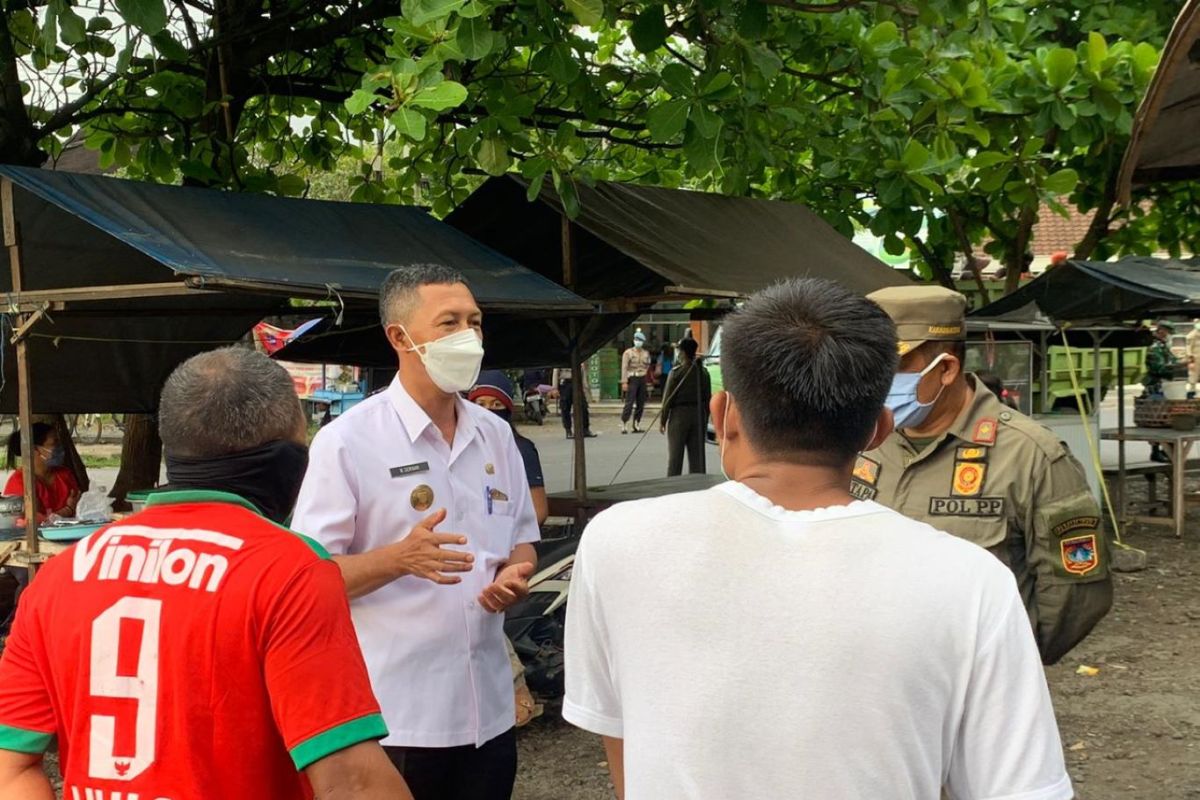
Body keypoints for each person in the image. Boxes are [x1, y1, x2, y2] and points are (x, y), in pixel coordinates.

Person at [563, 278, 1072, 799]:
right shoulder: (973, 581)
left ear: (723, 416)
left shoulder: (616, 543)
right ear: (879, 429)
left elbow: (620, 736)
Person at [0, 348, 410, 800]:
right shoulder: (289, 569)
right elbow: (352, 783)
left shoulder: (65, 572)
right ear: (287, 456)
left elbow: (11, 769)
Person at [293, 264, 540, 800]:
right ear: (399, 337)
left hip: (488, 712)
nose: (468, 337)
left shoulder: (496, 436)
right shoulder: (348, 442)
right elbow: (306, 583)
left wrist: (515, 573)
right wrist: (398, 559)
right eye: (448, 322)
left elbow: (521, 538)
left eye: (474, 321)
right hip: (398, 718)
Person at [861, 284, 1112, 665]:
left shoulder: (1029, 454)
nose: (873, 383)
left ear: (946, 368)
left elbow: (1076, 592)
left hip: (976, 688)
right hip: (875, 678)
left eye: (890, 369)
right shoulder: (862, 438)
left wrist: (1006, 665)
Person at [469, 370, 547, 729]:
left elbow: (533, 514)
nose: (486, 411)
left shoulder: (515, 447)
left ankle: (517, 696)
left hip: (501, 567)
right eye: (479, 404)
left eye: (494, 405)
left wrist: (510, 553)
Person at [4, 422, 80, 520]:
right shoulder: (19, 482)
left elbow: (80, 508)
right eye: (54, 443)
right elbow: (32, 522)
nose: (60, 447)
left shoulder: (65, 475)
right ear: (34, 449)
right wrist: (67, 510)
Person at [659, 338, 711, 476]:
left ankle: (673, 489)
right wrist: (704, 420)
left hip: (679, 416)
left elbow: (667, 399)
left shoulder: (676, 373)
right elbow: (707, 399)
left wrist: (663, 420)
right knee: (697, 459)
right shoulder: (703, 372)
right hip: (698, 415)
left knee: (675, 458)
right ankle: (698, 488)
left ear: (682, 352)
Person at [1144, 320, 1178, 462]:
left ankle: (1166, 450)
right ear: (1162, 331)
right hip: (1155, 387)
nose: (1169, 335)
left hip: (1167, 387)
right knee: (1157, 420)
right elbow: (1158, 368)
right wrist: (1175, 367)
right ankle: (1156, 451)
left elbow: (1172, 360)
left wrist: (1179, 363)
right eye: (1168, 332)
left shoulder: (1163, 346)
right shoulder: (1154, 347)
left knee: (1167, 419)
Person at [620, 330, 652, 434]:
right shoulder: (628, 353)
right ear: (634, 340)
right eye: (637, 340)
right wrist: (624, 381)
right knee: (629, 402)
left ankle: (636, 424)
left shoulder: (645, 353)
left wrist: (645, 373)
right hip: (632, 378)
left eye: (640, 340)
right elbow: (624, 367)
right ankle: (624, 424)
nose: (638, 342)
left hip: (642, 378)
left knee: (641, 402)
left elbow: (648, 365)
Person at [554, 365, 596, 440]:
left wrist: (585, 388)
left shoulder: (578, 355)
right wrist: (554, 388)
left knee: (583, 407)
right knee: (565, 408)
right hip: (565, 382)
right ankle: (568, 430)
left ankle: (585, 429)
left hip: (577, 382)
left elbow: (583, 371)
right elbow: (556, 372)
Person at [1186, 321, 1200, 398]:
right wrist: (1190, 358)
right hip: (1196, 359)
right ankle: (1191, 392)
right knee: (1193, 375)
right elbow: (1188, 347)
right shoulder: (1192, 334)